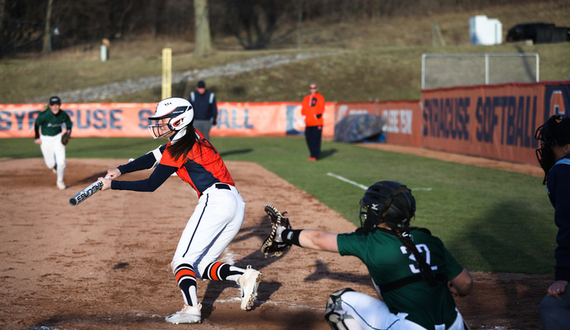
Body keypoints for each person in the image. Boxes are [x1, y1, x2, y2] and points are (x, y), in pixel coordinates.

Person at [97, 97, 261, 324]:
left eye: (164, 119)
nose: (159, 124)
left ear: (179, 119)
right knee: (201, 265)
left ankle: (191, 309)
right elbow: (154, 156)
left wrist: (113, 185)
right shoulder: (190, 136)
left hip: (215, 201)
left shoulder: (179, 146)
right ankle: (244, 276)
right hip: (235, 203)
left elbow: (150, 184)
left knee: (181, 261)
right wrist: (121, 169)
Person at [270, 181, 473, 330]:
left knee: (338, 302)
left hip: (411, 327)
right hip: (453, 325)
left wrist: (283, 234)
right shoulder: (429, 239)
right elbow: (465, 283)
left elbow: (317, 239)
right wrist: (455, 288)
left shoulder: (371, 241)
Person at [535, 114, 570, 329]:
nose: (549, 151)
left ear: (567, 148)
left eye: (554, 146)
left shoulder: (563, 171)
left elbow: (568, 225)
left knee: (551, 308)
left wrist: (563, 275)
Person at [34, 96, 73, 190]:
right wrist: (37, 137)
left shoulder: (63, 114)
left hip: (58, 138)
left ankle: (60, 181)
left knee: (61, 162)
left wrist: (68, 133)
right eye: (53, 105)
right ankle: (54, 166)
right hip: (46, 139)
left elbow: (68, 125)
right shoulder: (44, 115)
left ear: (60, 105)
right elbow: (36, 124)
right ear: (49, 106)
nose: (55, 107)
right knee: (50, 164)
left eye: (57, 105)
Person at [301, 82, 325, 161]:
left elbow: (322, 108)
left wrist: (317, 116)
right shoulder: (306, 98)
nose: (313, 89)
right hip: (308, 123)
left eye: (314, 88)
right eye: (311, 88)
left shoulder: (320, 97)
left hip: (317, 122)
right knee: (308, 139)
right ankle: (312, 154)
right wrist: (304, 117)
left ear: (317, 88)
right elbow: (303, 108)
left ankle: (315, 155)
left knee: (316, 139)